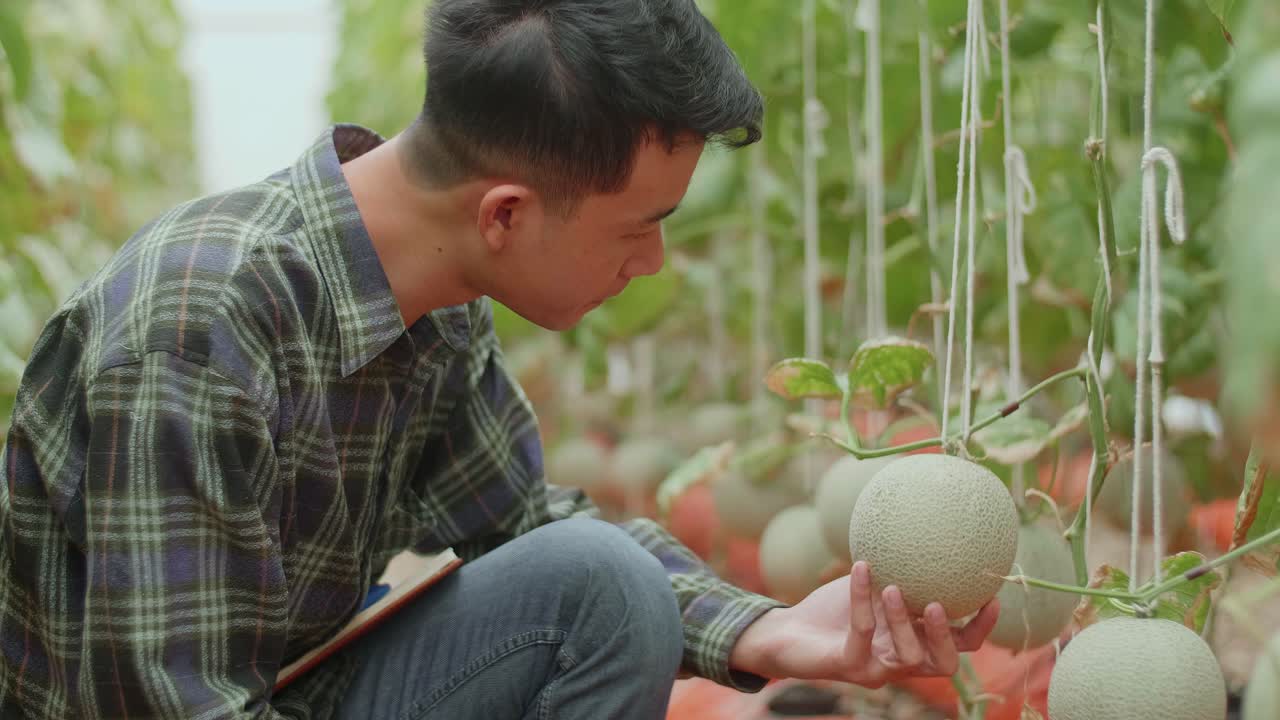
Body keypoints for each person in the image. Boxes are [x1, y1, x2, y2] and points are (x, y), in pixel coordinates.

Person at [0, 1, 998, 718]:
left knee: (601, 585)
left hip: (289, 688)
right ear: (505, 214)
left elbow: (523, 520)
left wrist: (765, 632)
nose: (651, 263)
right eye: (640, 226)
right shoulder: (196, 336)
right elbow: (175, 705)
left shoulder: (435, 300)